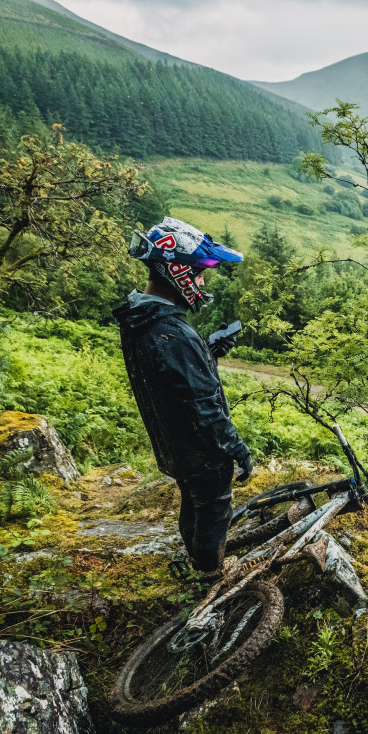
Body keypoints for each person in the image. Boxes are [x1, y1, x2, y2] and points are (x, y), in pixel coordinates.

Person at [114, 217, 253, 575]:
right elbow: (204, 408)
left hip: (172, 444)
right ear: (176, 270)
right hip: (199, 450)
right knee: (213, 509)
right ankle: (209, 576)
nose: (202, 281)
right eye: (199, 272)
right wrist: (237, 449)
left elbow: (172, 376)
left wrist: (207, 351)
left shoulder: (139, 318)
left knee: (193, 503)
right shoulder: (175, 334)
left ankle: (195, 563)